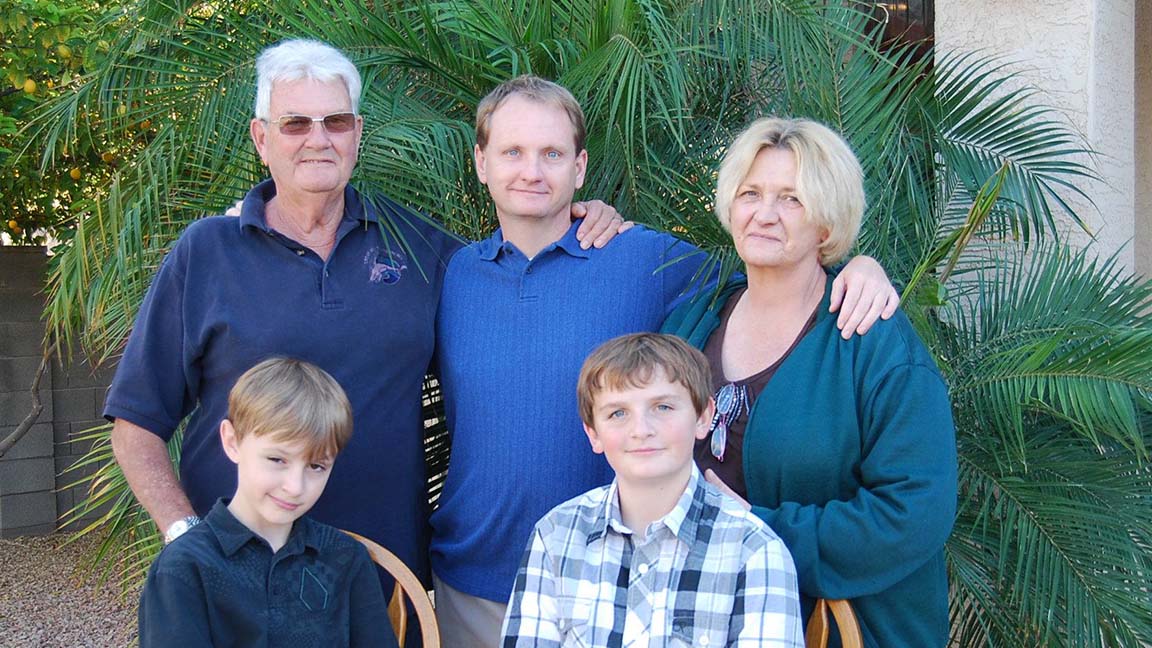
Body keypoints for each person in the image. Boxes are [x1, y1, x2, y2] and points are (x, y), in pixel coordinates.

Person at [101, 40, 619, 601]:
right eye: (295, 123)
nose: (318, 138)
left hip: (386, 581)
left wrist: (579, 217)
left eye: (337, 121)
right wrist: (185, 537)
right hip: (239, 577)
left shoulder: (419, 247)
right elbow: (136, 423)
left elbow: (511, 269)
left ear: (358, 134)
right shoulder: (207, 252)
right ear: (261, 138)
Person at [430, 76, 901, 646]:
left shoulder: (643, 256)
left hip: (608, 579)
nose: (532, 171)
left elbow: (770, 275)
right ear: (481, 162)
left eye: (552, 153)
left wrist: (857, 267)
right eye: (512, 152)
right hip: (470, 581)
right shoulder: (450, 273)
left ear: (580, 168)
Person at [661, 117, 958, 647]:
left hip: (838, 631)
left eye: (793, 199)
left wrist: (760, 530)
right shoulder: (693, 317)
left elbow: (915, 510)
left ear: (826, 225)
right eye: (751, 193)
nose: (766, 214)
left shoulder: (870, 341)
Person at [501, 333, 804, 647]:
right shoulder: (555, 537)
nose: (641, 430)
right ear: (593, 434)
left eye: (662, 407)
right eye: (617, 413)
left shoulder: (754, 550)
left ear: (703, 416)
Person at [137, 358, 397, 647]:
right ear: (232, 441)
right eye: (277, 459)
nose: (295, 487)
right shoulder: (185, 568)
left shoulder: (347, 558)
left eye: (316, 467)